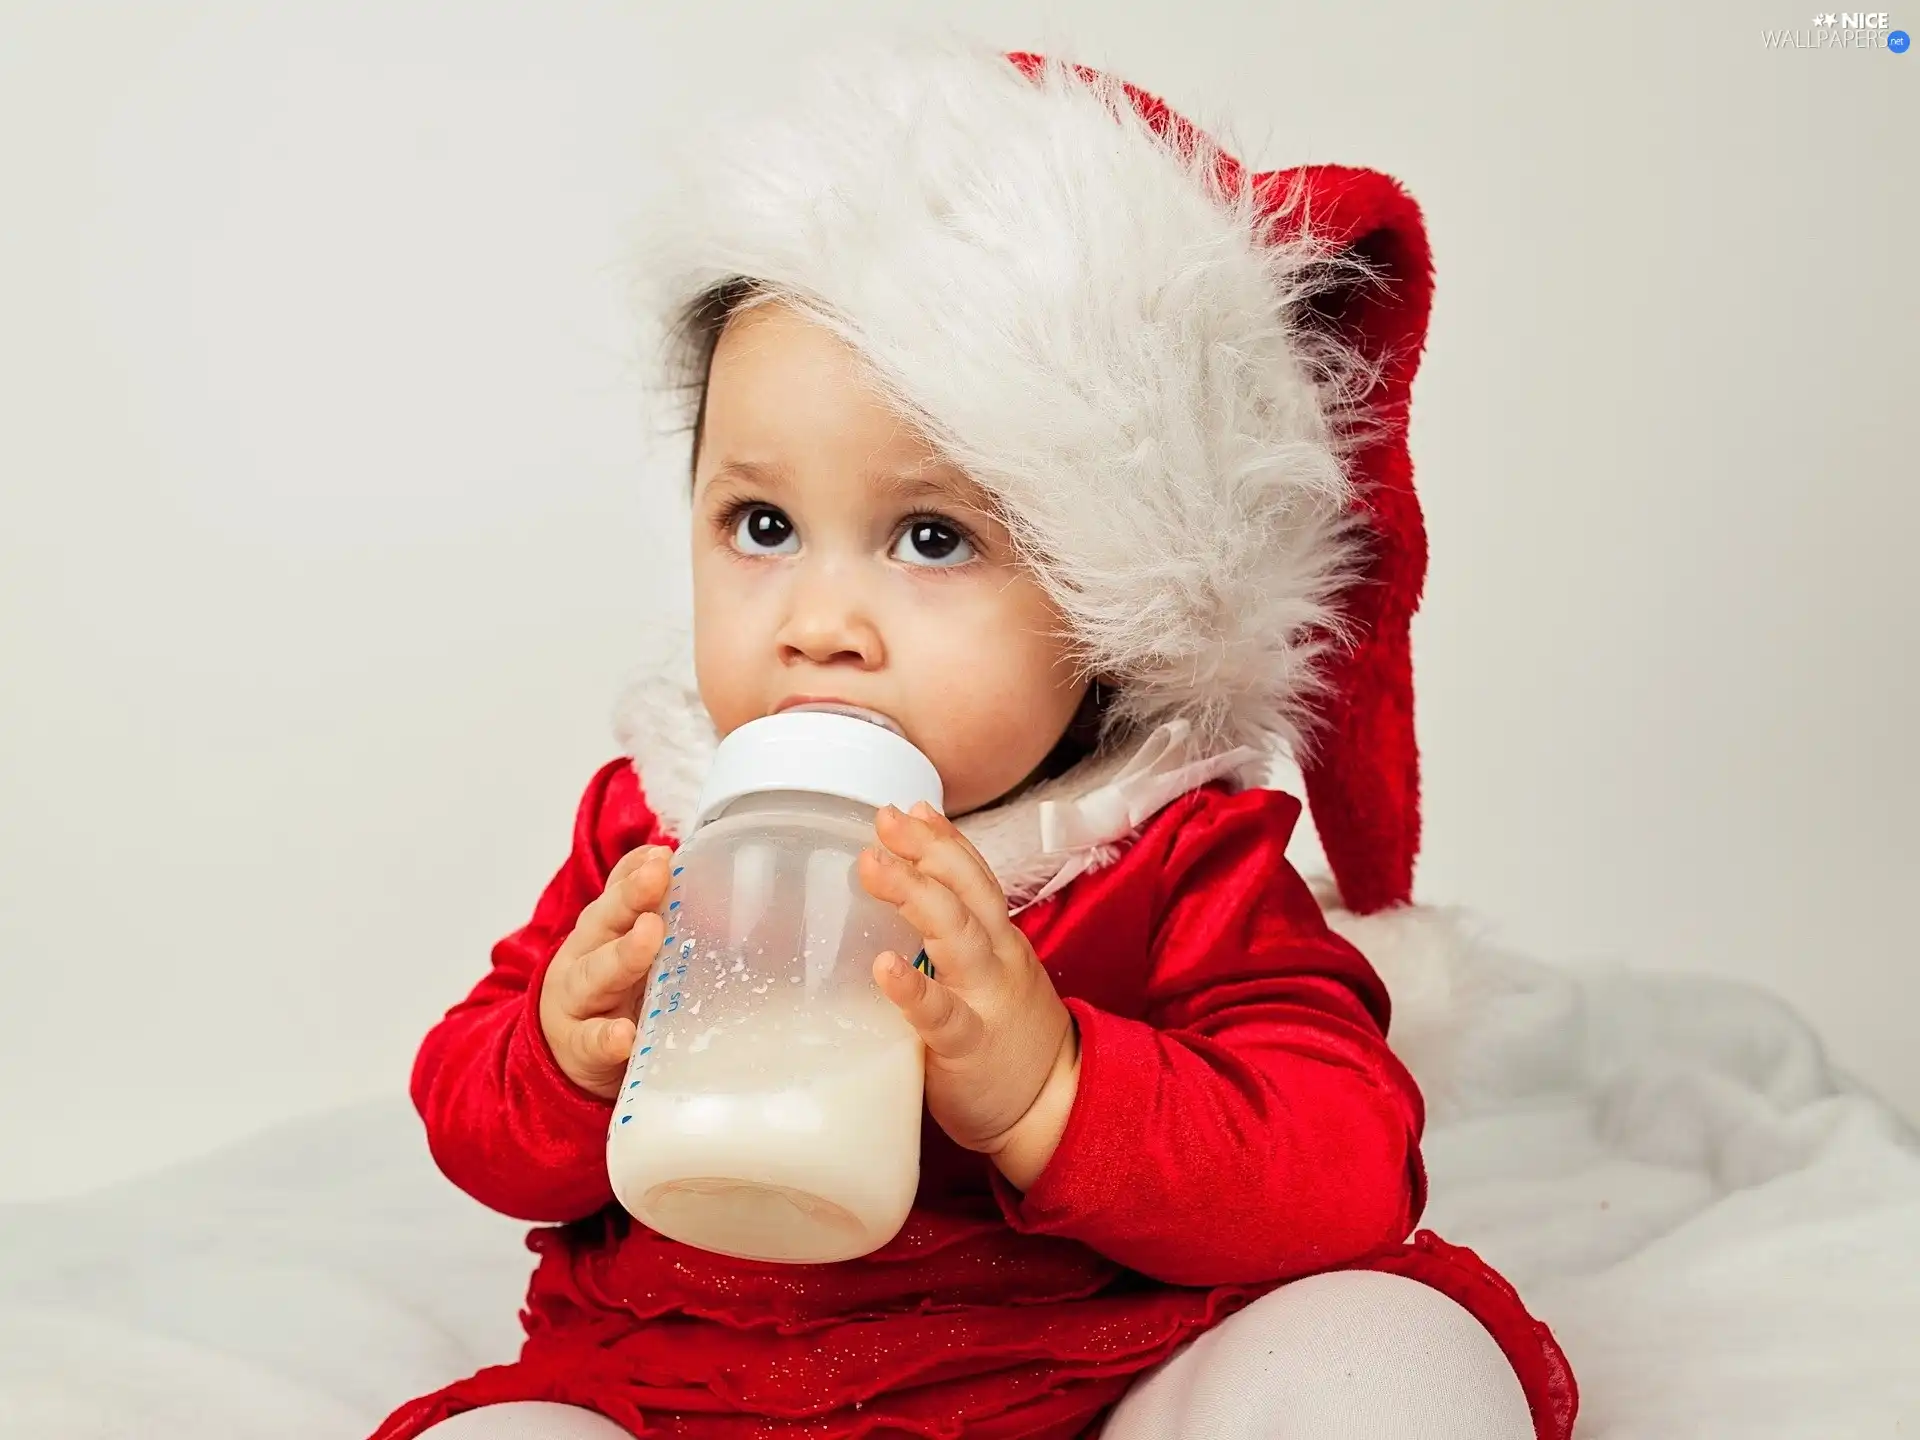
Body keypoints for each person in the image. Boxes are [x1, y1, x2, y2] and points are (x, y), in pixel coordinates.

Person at [370, 37, 1577, 1440]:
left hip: (1090, 1375)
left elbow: (1347, 1162)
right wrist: (561, 1056)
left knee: (1389, 1356)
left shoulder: (1168, 859)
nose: (821, 622)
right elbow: (472, 1116)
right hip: (698, 1389)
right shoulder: (659, 832)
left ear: (1114, 603)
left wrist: (1052, 1080)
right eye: (761, 527)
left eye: (932, 539)